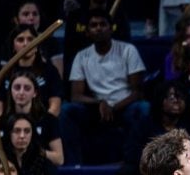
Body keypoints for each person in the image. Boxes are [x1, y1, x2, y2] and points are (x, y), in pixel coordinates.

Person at [60, 9, 148, 164]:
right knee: (67, 110)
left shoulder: (128, 50)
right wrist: (100, 104)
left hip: (124, 106)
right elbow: (76, 95)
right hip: (97, 109)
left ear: (111, 28)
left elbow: (137, 92)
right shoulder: (82, 56)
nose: (99, 28)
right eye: (94, 25)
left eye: (103, 24)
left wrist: (113, 108)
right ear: (87, 32)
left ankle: (139, 164)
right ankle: (74, 165)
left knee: (143, 108)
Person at [0, 23, 64, 117]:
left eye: (30, 39)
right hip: (10, 125)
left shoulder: (50, 71)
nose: (26, 44)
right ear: (13, 46)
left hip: (42, 123)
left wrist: (46, 125)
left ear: (37, 45)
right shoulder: (4, 73)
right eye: (20, 40)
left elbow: (55, 106)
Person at [1, 70, 64, 166]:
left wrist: (36, 152)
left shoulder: (49, 120)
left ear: (35, 93)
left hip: (39, 170)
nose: (21, 92)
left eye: (27, 88)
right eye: (17, 88)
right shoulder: (2, 121)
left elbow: (59, 159)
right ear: (10, 91)